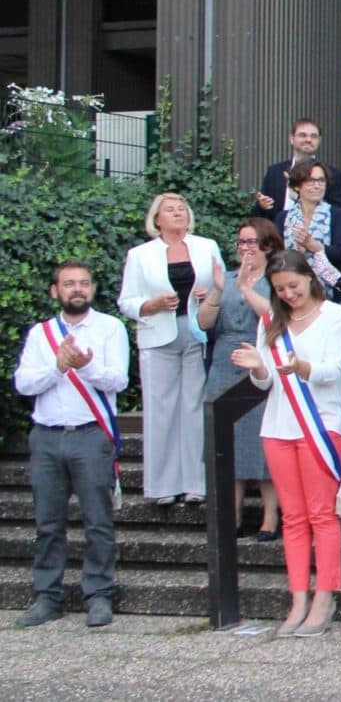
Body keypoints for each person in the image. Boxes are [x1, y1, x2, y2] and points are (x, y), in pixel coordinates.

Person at [226, 250, 341, 638]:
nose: (288, 294)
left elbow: (333, 371)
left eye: (294, 286)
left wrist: (301, 367)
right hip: (278, 426)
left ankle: (325, 595)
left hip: (321, 425)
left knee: (321, 514)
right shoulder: (271, 319)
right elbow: (264, 383)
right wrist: (258, 367)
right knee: (293, 517)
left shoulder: (336, 316)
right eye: (280, 289)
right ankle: (298, 596)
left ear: (309, 278)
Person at [14, 260, 130, 629]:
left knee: (98, 520)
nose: (77, 289)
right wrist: (59, 368)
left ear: (93, 289)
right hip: (47, 435)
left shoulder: (110, 328)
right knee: (48, 522)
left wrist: (85, 366)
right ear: (55, 291)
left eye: (83, 283)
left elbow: (119, 380)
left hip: (90, 435)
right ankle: (47, 597)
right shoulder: (40, 334)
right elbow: (24, 384)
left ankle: (99, 596)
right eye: (69, 284)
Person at [118, 191, 224, 506]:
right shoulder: (140, 255)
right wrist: (151, 304)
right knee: (161, 409)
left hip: (195, 331)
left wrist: (210, 294)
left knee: (194, 407)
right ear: (157, 219)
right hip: (157, 333)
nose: (178, 213)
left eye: (181, 209)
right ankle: (161, 485)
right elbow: (126, 301)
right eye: (170, 210)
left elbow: (223, 286)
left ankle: (195, 483)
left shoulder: (206, 247)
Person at [199, 219, 284, 541]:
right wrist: (220, 290)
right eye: (241, 242)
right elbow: (204, 323)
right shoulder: (226, 278)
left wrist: (247, 288)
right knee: (227, 442)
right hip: (224, 360)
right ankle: (231, 516)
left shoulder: (276, 280)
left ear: (268, 246)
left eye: (252, 242)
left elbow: (275, 316)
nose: (245, 248)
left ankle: (270, 517)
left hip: (260, 357)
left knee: (261, 442)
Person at [253, 118, 341, 230]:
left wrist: (299, 196)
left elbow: (337, 213)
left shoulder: (333, 174)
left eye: (313, 136)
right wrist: (262, 206)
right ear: (291, 139)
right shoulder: (274, 172)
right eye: (303, 135)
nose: (308, 139)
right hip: (277, 237)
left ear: (319, 140)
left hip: (315, 236)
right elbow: (259, 215)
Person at [279, 162, 341, 303]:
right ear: (297, 186)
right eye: (311, 181)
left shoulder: (336, 214)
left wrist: (314, 246)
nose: (317, 185)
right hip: (289, 290)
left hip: (327, 292)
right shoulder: (283, 217)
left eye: (321, 180)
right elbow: (276, 254)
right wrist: (297, 251)